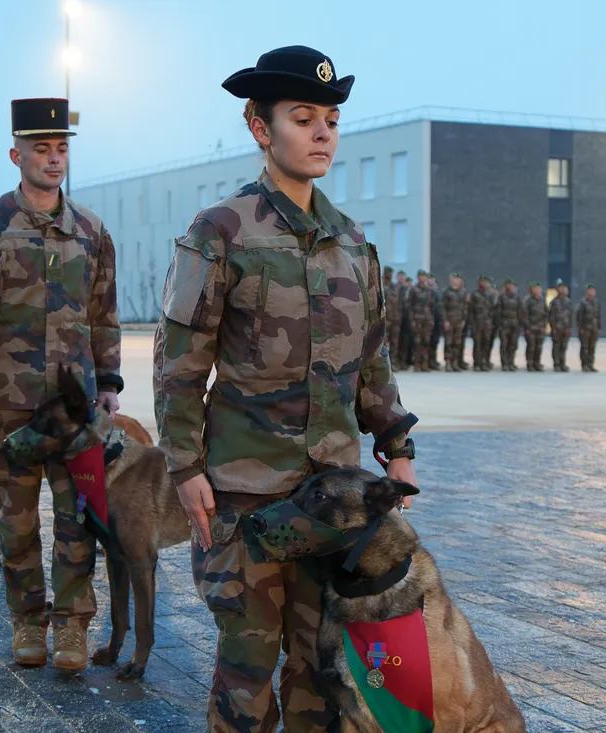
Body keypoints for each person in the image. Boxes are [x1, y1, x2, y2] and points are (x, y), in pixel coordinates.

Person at [154, 46, 419, 733]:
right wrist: (185, 468)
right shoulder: (221, 232)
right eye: (303, 118)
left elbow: (371, 357)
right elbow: (180, 362)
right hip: (245, 496)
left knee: (320, 666)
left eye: (330, 118)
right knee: (246, 667)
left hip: (331, 495)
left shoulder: (353, 243)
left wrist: (396, 442)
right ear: (260, 127)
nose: (323, 132)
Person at [0, 98, 122, 671]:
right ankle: (27, 619)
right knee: (16, 518)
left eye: (61, 148)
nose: (53, 159)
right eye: (41, 149)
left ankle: (72, 626)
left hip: (75, 409)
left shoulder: (92, 231)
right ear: (15, 154)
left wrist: (110, 382)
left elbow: (105, 313)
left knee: (79, 519)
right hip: (10, 404)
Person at [408, 270, 436, 372]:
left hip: (427, 319)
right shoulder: (414, 290)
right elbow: (410, 306)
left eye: (424, 276)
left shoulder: (429, 290)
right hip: (417, 318)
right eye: (421, 276)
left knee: (426, 341)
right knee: (417, 342)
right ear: (417, 277)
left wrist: (432, 319)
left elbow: (432, 306)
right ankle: (417, 363)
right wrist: (412, 320)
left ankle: (425, 363)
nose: (423, 278)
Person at [441, 271, 468, 371]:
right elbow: (443, 307)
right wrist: (445, 320)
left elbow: (465, 307)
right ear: (451, 280)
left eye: (458, 279)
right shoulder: (447, 292)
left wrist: (464, 320)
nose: (456, 281)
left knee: (457, 343)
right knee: (448, 342)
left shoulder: (463, 292)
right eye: (454, 279)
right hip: (450, 320)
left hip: (459, 320)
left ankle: (455, 362)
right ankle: (448, 362)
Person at [468, 275, 495, 371]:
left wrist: (491, 322)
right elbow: (470, 311)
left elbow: (492, 310)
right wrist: (472, 324)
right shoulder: (474, 295)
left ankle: (484, 362)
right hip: (477, 323)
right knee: (477, 344)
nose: (485, 284)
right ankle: (477, 363)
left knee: (486, 343)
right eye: (483, 282)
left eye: (487, 282)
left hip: (487, 323)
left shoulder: (490, 295)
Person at [547, 279, 573, 372]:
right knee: (556, 347)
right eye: (561, 288)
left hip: (566, 328)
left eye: (564, 288)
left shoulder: (568, 302)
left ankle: (563, 363)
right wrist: (553, 327)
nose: (563, 289)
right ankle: (556, 364)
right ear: (557, 289)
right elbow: (550, 316)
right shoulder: (554, 302)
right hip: (557, 328)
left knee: (564, 346)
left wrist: (570, 327)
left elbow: (571, 316)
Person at [576, 283, 601, 371]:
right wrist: (581, 328)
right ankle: (584, 365)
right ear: (587, 291)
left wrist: (599, 327)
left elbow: (598, 316)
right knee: (584, 347)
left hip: (594, 328)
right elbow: (579, 316)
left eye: (593, 290)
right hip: (585, 328)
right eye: (590, 290)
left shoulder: (596, 302)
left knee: (592, 347)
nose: (592, 292)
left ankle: (591, 364)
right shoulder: (583, 303)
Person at [523, 281, 547, 372]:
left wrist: (544, 326)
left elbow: (546, 314)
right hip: (531, 328)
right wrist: (527, 327)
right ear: (532, 290)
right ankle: (530, 363)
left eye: (539, 288)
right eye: (535, 288)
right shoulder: (528, 301)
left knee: (539, 347)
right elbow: (525, 315)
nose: (538, 290)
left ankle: (537, 363)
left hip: (540, 328)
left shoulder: (542, 300)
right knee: (531, 346)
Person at [382, 264, 402, 368]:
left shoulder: (395, 287)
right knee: (383, 343)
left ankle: (393, 362)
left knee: (394, 341)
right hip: (384, 319)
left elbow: (398, 304)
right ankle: (385, 364)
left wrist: (398, 317)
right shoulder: (380, 285)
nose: (389, 274)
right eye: (388, 272)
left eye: (391, 273)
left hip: (395, 319)